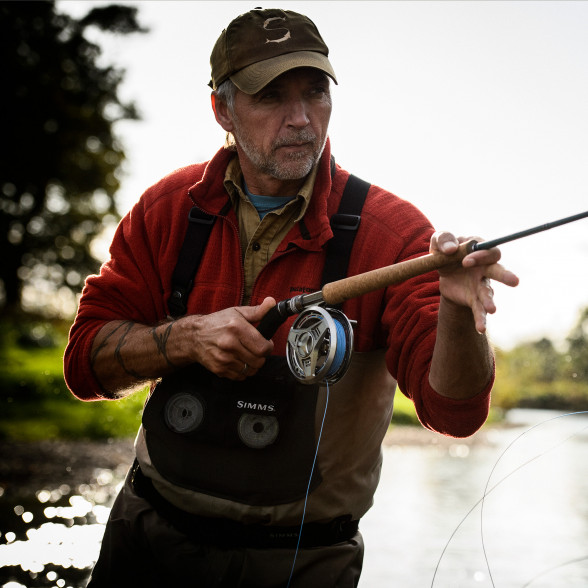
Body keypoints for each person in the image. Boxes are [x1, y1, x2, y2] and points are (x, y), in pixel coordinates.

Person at [64, 7, 519, 587]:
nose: (302, 118)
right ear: (222, 109)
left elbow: (455, 414)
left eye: (315, 92)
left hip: (302, 566)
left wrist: (458, 311)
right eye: (271, 96)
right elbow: (83, 367)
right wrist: (183, 339)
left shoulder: (396, 235)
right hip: (146, 540)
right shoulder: (165, 209)